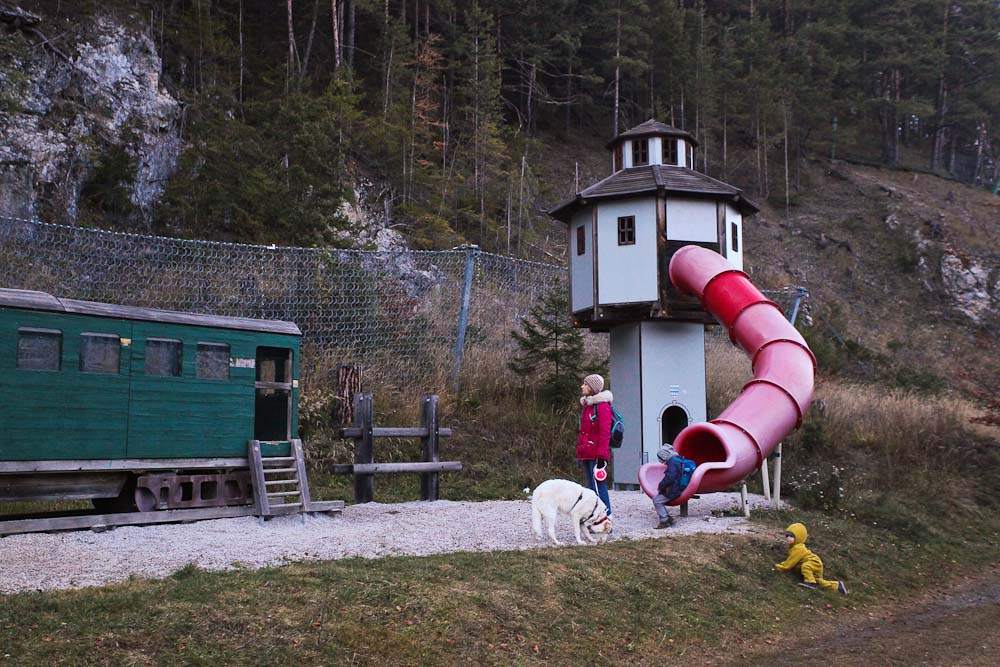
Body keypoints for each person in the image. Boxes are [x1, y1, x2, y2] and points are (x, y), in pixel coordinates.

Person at [775, 522, 848, 595]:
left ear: (799, 537)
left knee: (806, 567)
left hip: (813, 562)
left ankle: (810, 583)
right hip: (816, 563)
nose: (788, 538)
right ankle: (837, 586)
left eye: (791, 536)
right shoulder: (795, 547)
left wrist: (782, 567)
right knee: (819, 581)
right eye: (787, 535)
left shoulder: (798, 548)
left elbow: (792, 561)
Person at [577, 373, 612, 517]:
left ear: (592, 388)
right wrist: (580, 452)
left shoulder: (602, 406)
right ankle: (595, 517)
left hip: (596, 455)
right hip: (586, 453)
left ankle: (606, 518)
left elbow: (605, 433)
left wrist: (602, 457)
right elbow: (583, 432)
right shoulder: (588, 406)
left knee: (599, 486)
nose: (582, 386)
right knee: (591, 489)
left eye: (585, 384)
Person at [652, 443, 684, 528]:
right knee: (657, 499)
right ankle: (668, 519)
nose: (663, 462)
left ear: (664, 455)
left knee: (657, 500)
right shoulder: (678, 459)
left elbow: (670, 477)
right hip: (679, 487)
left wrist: (661, 486)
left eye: (661, 459)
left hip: (674, 490)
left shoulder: (672, 462)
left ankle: (664, 520)